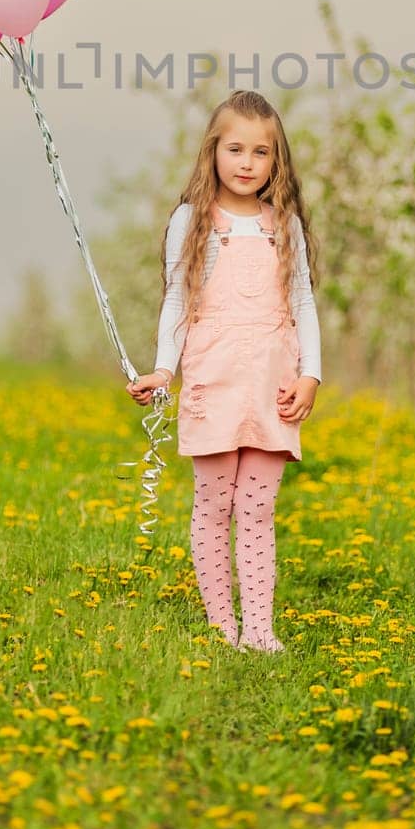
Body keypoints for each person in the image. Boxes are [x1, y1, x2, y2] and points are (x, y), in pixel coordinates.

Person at [127, 88, 322, 653]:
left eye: (261, 153)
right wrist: (164, 370)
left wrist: (311, 374)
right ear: (212, 151)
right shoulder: (193, 220)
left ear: (275, 161)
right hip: (214, 378)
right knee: (214, 505)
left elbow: (303, 301)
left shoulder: (282, 224)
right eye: (235, 149)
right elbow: (176, 299)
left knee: (258, 508)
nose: (246, 163)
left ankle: (260, 629)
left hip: (272, 382)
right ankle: (221, 626)